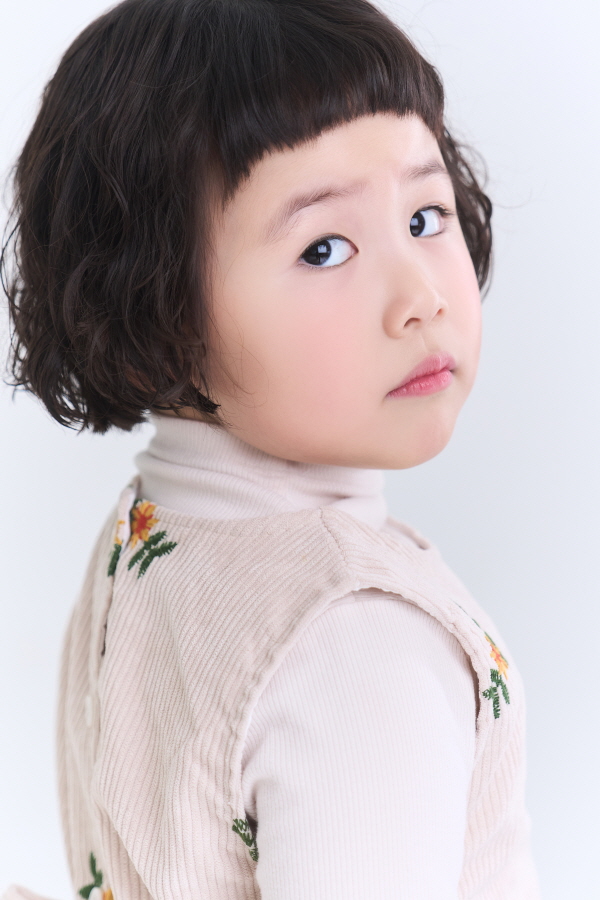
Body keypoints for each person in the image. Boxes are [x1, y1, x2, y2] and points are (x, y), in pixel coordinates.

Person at [1, 0, 541, 897]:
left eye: (424, 217)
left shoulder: (145, 538)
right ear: (154, 305)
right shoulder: (360, 651)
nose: (420, 298)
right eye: (324, 248)